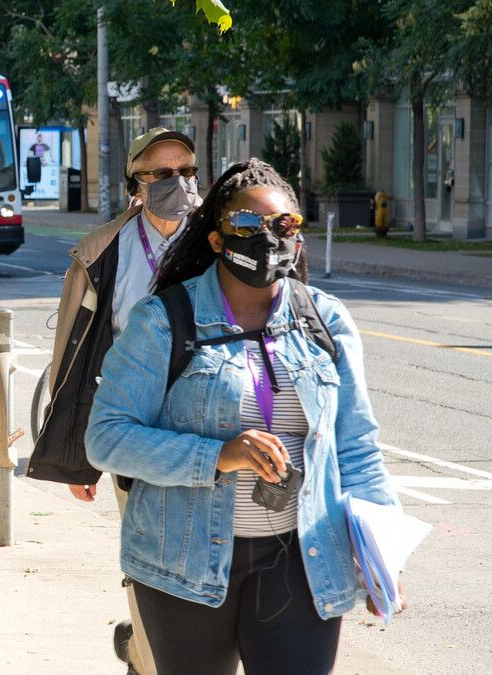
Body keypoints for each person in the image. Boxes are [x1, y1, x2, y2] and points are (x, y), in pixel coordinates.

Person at [86, 158, 404, 675]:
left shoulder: (325, 321)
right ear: (216, 240)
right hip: (182, 560)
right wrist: (219, 456)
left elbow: (357, 446)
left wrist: (382, 554)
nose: (269, 238)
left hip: (303, 559)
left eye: (284, 225)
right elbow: (107, 438)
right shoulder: (164, 321)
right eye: (249, 226)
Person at [27, 127, 200, 675]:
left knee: (202, 554)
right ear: (137, 183)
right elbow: (73, 356)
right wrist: (80, 453)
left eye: (188, 170)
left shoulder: (219, 240)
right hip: (131, 422)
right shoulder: (104, 249)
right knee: (147, 558)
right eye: (163, 173)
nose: (179, 183)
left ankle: (151, 649)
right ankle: (147, 656)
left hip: (204, 420)